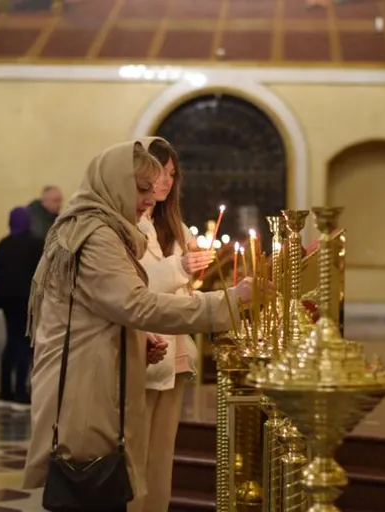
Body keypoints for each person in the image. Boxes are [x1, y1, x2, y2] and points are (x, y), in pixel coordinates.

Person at [22, 140, 255, 512]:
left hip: (94, 378)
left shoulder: (97, 226)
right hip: (87, 389)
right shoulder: (98, 235)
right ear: (114, 184)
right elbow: (136, 303)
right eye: (142, 188)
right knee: (93, 491)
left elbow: (97, 310)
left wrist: (132, 338)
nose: (151, 199)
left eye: (157, 186)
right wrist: (229, 301)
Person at [137, 137, 214, 511]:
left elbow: (180, 286)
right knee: (136, 455)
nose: (165, 181)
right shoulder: (127, 222)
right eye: (158, 173)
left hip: (176, 350)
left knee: (161, 455)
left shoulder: (174, 224)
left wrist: (194, 271)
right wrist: (179, 268)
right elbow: (130, 286)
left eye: (171, 174)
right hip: (144, 348)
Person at [0, 207, 44, 412]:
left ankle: (4, 392)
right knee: (25, 344)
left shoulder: (2, 245)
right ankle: (21, 393)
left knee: (11, 342)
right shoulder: (35, 245)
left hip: (7, 303)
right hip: (27, 303)